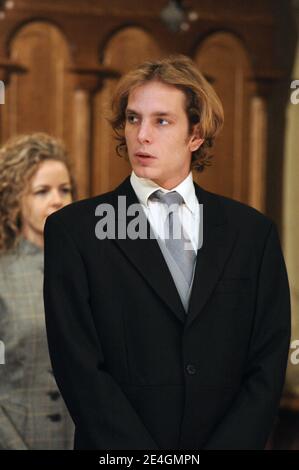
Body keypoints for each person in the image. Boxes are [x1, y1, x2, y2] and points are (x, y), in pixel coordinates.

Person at [43, 55, 291, 450]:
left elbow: (267, 362)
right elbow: (78, 368)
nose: (141, 135)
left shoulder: (252, 234)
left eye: (161, 120)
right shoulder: (74, 231)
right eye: (132, 118)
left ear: (196, 134)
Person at [0, 133, 75, 449]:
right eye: (42, 191)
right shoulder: (3, 278)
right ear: (16, 201)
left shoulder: (92, 273)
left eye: (65, 189)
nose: (57, 199)